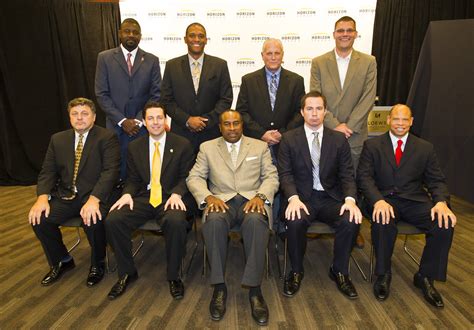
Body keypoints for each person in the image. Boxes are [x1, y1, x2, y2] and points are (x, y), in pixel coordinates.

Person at [357, 104, 456, 308]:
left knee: (444, 222)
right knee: (382, 219)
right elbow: (364, 178)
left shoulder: (425, 148)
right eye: (396, 119)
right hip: (384, 199)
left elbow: (436, 180)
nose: (400, 124)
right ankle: (383, 274)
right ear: (388, 120)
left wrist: (441, 202)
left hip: (414, 200)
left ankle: (425, 276)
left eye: (404, 120)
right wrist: (377, 201)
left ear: (411, 122)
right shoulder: (372, 146)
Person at [186, 110, 278, 326]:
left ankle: (255, 290)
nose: (232, 128)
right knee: (214, 220)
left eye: (236, 123)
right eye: (227, 124)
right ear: (220, 127)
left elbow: (272, 176)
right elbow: (194, 177)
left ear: (242, 125)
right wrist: (208, 197)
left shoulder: (259, 146)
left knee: (256, 221)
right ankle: (219, 287)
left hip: (251, 200)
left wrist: (261, 196)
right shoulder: (207, 147)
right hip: (221, 200)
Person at [105, 101, 196, 300]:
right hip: (144, 197)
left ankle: (174, 276)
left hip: (170, 196)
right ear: (144, 122)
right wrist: (127, 194)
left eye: (159, 118)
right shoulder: (134, 147)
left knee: (175, 221)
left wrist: (177, 193)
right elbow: (132, 179)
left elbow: (187, 176)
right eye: (150, 118)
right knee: (114, 220)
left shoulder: (182, 144)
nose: (155, 122)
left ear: (166, 120)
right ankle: (127, 273)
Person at [278, 91, 362, 299]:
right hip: (302, 198)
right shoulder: (289, 139)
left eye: (318, 109)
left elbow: (347, 175)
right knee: (295, 220)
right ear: (302, 112)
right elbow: (285, 174)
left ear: (325, 112)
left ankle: (339, 270)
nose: (314, 113)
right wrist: (293, 198)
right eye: (309, 109)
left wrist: (350, 200)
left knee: (351, 219)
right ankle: (296, 270)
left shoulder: (338, 139)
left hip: (330, 198)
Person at [28, 97, 120, 287]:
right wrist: (42, 198)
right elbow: (48, 171)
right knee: (40, 218)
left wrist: (94, 199)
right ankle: (62, 260)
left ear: (94, 117)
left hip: (95, 195)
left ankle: (98, 263)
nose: (80, 118)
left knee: (93, 219)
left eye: (84, 114)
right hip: (67, 196)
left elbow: (110, 172)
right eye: (75, 114)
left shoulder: (107, 138)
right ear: (69, 117)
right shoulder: (58, 139)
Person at [310, 15, 376, 248]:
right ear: (334, 33)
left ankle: (353, 226)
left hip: (355, 134)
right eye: (340, 30)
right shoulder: (319, 62)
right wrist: (334, 124)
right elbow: (316, 96)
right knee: (324, 175)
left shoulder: (368, 62)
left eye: (349, 30)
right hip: (326, 130)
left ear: (356, 34)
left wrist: (348, 126)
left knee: (353, 180)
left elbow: (368, 98)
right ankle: (322, 220)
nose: (345, 34)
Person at [95, 18, 161, 179]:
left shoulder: (152, 60)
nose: (131, 35)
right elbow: (101, 93)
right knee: (115, 168)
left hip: (142, 127)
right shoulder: (104, 58)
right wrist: (122, 120)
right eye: (127, 31)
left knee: (140, 169)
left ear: (140, 36)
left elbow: (156, 94)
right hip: (115, 125)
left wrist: (138, 119)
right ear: (119, 34)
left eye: (135, 32)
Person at [161, 22, 233, 151]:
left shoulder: (220, 65)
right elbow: (166, 100)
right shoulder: (172, 66)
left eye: (201, 36)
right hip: (181, 134)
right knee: (182, 171)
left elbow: (226, 99)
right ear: (185, 39)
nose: (196, 39)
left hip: (211, 134)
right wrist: (187, 120)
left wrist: (205, 121)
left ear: (206, 40)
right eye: (192, 35)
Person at [236, 38, 305, 157]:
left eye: (277, 53)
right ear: (262, 55)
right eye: (269, 53)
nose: (273, 57)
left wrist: (282, 133)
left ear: (282, 55)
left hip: (287, 144)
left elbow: (300, 113)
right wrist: (261, 133)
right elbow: (242, 112)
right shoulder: (248, 81)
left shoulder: (296, 81)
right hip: (255, 143)